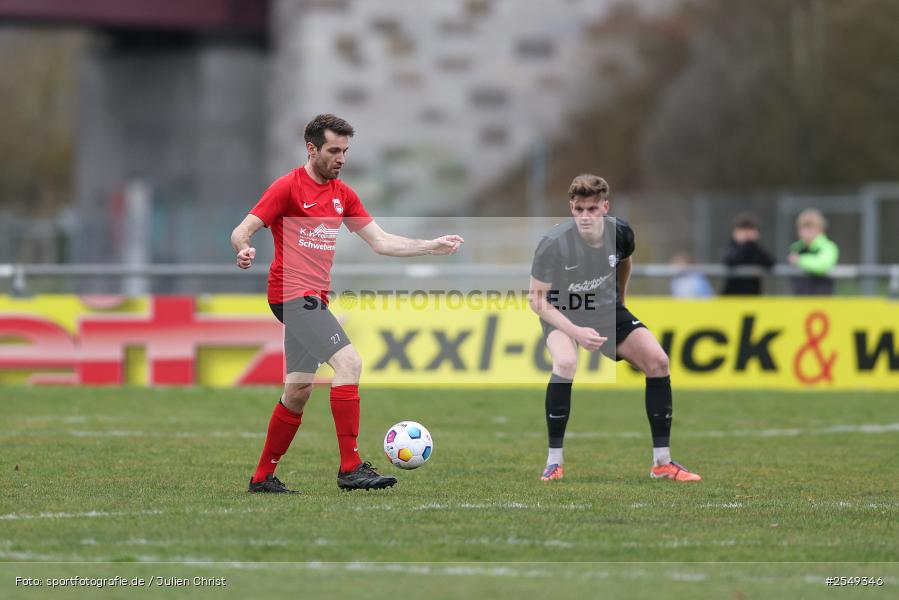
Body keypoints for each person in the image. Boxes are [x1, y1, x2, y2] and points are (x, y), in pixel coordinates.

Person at [231, 114, 464, 493]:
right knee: (350, 362)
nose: (341, 158)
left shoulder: (343, 195)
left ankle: (262, 478)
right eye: (333, 150)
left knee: (298, 390)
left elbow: (381, 241)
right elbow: (242, 229)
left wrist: (429, 246)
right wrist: (243, 249)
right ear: (312, 149)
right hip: (291, 295)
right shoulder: (287, 187)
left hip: (313, 298)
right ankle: (350, 467)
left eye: (345, 151)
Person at [528, 174, 701, 483]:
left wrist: (620, 302)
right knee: (566, 362)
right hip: (562, 313)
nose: (585, 216)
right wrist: (576, 331)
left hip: (606, 311)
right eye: (579, 209)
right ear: (571, 208)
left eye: (592, 209)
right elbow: (537, 299)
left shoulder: (621, 233)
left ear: (605, 207)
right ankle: (554, 462)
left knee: (659, 362)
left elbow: (626, 262)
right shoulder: (553, 244)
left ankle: (662, 463)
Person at [721, 212, 774, 295]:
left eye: (750, 230)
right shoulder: (732, 247)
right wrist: (745, 245)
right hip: (732, 296)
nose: (747, 235)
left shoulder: (756, 249)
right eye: (743, 230)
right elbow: (730, 261)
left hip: (752, 295)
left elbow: (770, 262)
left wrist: (751, 244)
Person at [788, 209, 839, 295]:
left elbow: (822, 265)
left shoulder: (829, 247)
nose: (807, 232)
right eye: (804, 228)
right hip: (800, 297)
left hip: (822, 299)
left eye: (811, 227)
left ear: (820, 229)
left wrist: (800, 260)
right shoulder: (796, 247)